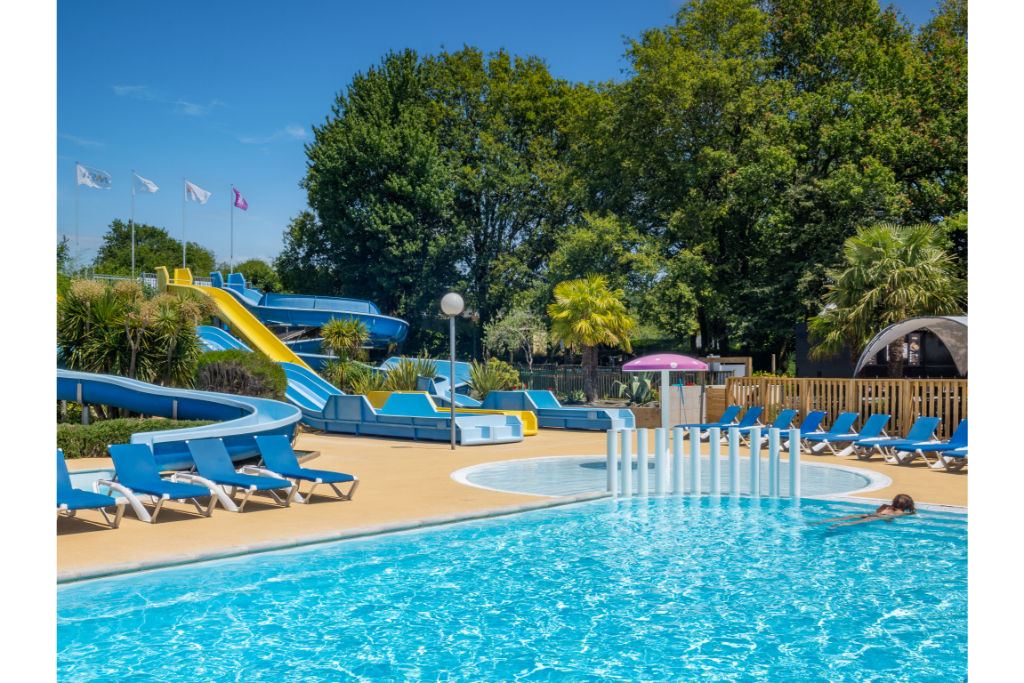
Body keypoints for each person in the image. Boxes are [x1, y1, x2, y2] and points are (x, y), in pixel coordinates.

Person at [809, 494, 916, 530]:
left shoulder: (886, 506)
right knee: (852, 523)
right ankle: (836, 526)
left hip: (870, 514)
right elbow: (888, 519)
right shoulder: (900, 513)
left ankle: (820, 522)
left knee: (847, 518)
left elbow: (878, 511)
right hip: (876, 517)